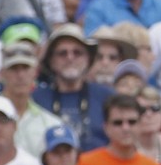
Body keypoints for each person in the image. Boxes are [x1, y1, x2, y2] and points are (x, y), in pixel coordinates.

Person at [0, 47, 65, 158]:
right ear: (1, 74)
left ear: (35, 73)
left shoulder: (51, 124)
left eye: (25, 68)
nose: (20, 75)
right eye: (14, 69)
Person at [33, 24, 116, 152]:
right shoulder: (36, 99)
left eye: (77, 53)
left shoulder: (108, 97)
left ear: (88, 59)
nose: (70, 58)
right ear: (51, 61)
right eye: (62, 53)